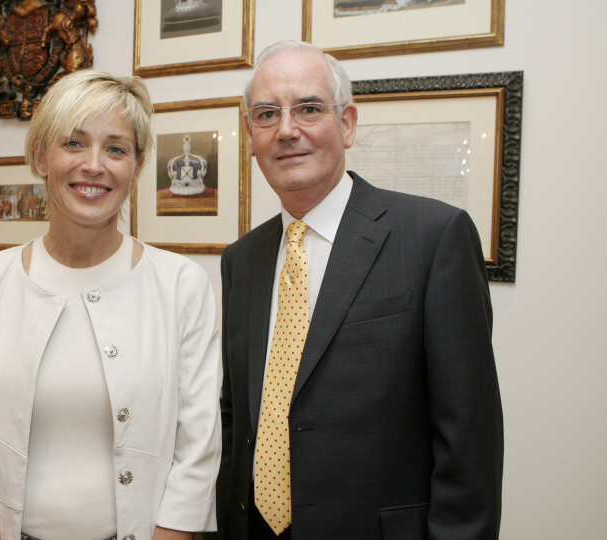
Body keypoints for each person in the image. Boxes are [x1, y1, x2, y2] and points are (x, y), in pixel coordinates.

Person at [215, 41, 503, 539]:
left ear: (346, 124)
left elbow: (469, 441)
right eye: (267, 114)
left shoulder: (435, 237)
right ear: (250, 135)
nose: (287, 130)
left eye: (308, 108)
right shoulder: (241, 259)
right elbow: (236, 418)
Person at [0, 70, 221, 540]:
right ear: (41, 157)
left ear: (138, 167)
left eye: (116, 149)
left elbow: (198, 448)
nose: (94, 165)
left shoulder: (182, 285)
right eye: (74, 143)